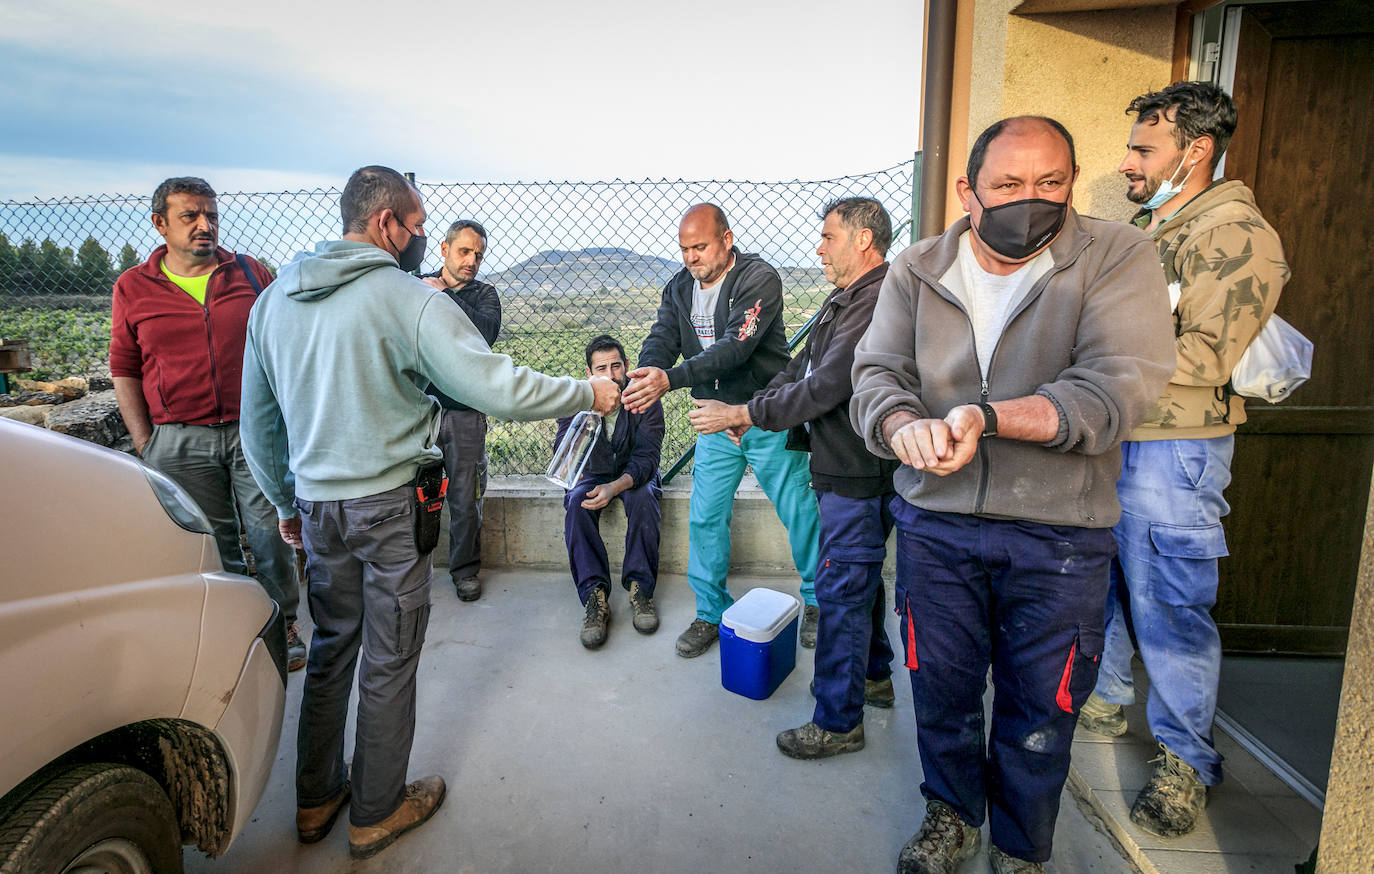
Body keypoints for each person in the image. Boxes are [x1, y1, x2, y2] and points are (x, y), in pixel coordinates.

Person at [239, 165, 618, 860]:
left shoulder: (274, 300)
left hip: (318, 510)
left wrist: (284, 501)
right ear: (386, 223)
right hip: (385, 510)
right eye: (416, 226)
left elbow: (258, 425)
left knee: (330, 651)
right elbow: (494, 384)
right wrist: (587, 394)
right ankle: (376, 811)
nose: (422, 239)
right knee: (390, 656)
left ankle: (317, 798)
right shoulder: (405, 299)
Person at [850, 117, 1175, 874]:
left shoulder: (1116, 256)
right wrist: (900, 426)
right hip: (937, 526)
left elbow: (1116, 388)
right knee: (942, 688)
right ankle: (952, 814)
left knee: (1044, 707)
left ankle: (1024, 848)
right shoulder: (918, 268)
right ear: (969, 191)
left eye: (1051, 183)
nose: (1031, 200)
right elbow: (877, 377)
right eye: (1007, 186)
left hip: (1060, 535)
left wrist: (987, 418)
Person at [1077, 82, 1290, 838]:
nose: (1129, 162)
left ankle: (1183, 760)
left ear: (1195, 151)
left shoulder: (1233, 233)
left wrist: (1096, 367)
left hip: (1174, 450)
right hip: (1121, 441)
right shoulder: (1158, 223)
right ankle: (1104, 701)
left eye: (1144, 148)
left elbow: (1207, 353)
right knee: (1103, 584)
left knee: (1168, 605)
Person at [689, 197, 898, 759]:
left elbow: (826, 384)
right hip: (843, 466)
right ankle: (875, 677)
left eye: (829, 237)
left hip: (858, 469)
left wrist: (743, 414)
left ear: (863, 239)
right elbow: (797, 368)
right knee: (860, 581)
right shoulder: (846, 299)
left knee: (841, 591)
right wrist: (753, 405)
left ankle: (836, 720)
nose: (819, 248)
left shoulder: (877, 299)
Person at [109, 176, 304, 671]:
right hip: (179, 440)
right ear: (160, 224)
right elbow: (124, 367)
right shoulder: (133, 287)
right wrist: (146, 443)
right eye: (190, 216)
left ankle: (285, 625)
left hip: (254, 433)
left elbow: (284, 341)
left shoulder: (251, 274)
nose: (204, 225)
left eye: (211, 215)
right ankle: (235, 630)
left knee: (271, 535)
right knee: (211, 546)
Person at [623, 203, 821, 659]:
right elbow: (662, 334)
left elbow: (736, 347)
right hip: (712, 419)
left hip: (763, 414)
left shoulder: (758, 279)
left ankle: (816, 600)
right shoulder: (680, 286)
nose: (691, 258)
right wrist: (650, 369)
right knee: (706, 514)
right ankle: (711, 611)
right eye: (684, 249)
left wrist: (671, 380)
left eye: (700, 247)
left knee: (798, 509)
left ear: (726, 240)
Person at [556, 334, 665, 649]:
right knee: (577, 502)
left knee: (644, 499)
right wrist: (591, 418)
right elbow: (566, 455)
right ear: (589, 372)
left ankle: (640, 590)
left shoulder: (644, 398)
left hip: (633, 473)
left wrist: (615, 486)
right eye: (601, 368)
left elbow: (647, 459)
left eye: (616, 366)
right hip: (592, 473)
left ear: (627, 367)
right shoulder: (575, 400)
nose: (610, 375)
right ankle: (594, 596)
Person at [419, 219, 500, 602]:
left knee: (466, 500)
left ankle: (465, 572)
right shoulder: (415, 284)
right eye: (464, 251)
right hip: (420, 411)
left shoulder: (485, 294)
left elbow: (483, 331)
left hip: (466, 412)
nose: (471, 261)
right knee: (410, 496)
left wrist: (444, 297)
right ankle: (410, 569)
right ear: (444, 249)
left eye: (478, 254)